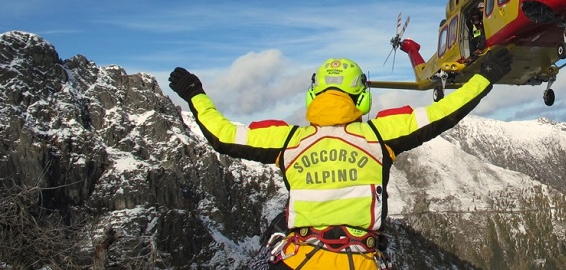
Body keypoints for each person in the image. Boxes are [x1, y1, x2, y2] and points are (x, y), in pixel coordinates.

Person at [168, 48, 513, 270]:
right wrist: (486, 75)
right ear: (361, 98)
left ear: (312, 95)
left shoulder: (288, 140)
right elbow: (444, 112)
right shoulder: (380, 135)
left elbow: (223, 136)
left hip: (295, 260)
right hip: (359, 261)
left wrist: (195, 94)